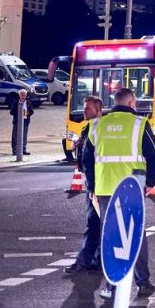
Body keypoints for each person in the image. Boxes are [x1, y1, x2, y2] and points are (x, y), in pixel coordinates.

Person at [80, 86, 155, 299]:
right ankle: (143, 283)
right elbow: (154, 154)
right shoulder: (139, 124)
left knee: (110, 236)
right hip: (132, 189)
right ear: (131, 102)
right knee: (136, 235)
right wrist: (150, 182)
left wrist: (91, 187)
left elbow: (85, 158)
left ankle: (110, 286)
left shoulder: (97, 125)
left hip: (106, 189)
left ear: (114, 102)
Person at [64, 96, 103, 275]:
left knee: (94, 223)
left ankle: (87, 261)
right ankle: (94, 260)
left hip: (98, 182)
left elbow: (90, 158)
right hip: (94, 181)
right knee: (97, 223)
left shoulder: (100, 128)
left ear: (98, 110)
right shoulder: (87, 127)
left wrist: (93, 186)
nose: (84, 111)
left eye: (88, 109)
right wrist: (78, 145)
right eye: (84, 108)